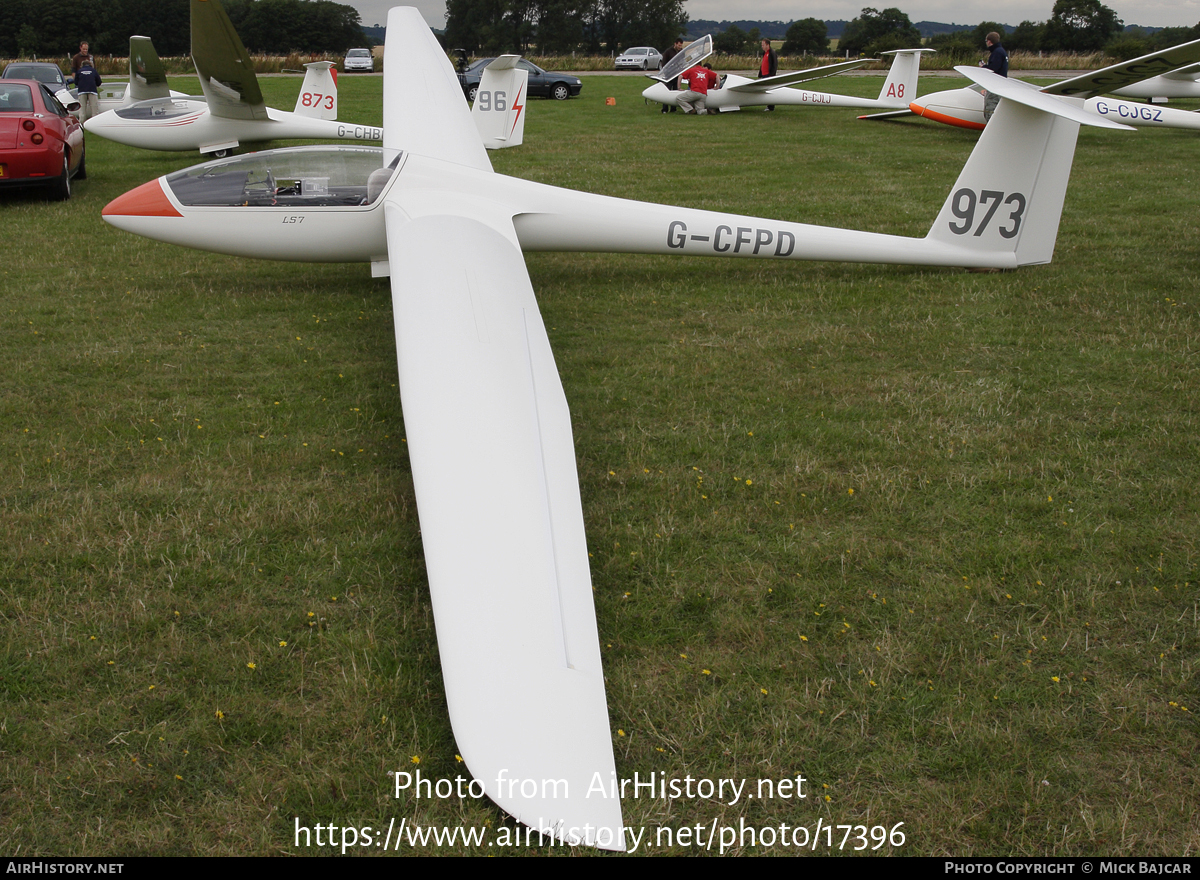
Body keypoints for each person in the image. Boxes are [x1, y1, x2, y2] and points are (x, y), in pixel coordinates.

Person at [979, 31, 1008, 122]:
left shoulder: (997, 52)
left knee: (990, 108)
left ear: (989, 41)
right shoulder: (1001, 51)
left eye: (986, 41)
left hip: (995, 86)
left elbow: (993, 69)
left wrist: (983, 67)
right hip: (1000, 85)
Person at [660, 37, 684, 113]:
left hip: (677, 75)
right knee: (667, 91)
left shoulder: (682, 52)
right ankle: (665, 109)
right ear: (675, 44)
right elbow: (664, 64)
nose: (680, 47)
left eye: (681, 46)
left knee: (676, 91)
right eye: (679, 45)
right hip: (669, 75)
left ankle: (673, 109)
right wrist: (667, 72)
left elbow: (682, 62)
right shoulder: (668, 52)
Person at [760, 38, 778, 111]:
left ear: (767, 45)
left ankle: (771, 107)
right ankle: (768, 105)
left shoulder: (772, 53)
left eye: (763, 45)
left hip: (769, 75)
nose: (762, 46)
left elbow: (774, 65)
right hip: (764, 75)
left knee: (769, 91)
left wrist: (772, 75)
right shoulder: (764, 53)